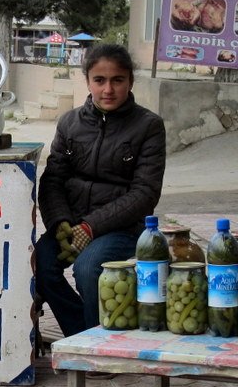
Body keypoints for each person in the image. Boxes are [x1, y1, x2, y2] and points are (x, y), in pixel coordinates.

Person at [35, 43, 166, 337]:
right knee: (39, 264)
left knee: (88, 268)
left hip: (121, 228)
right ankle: (83, 335)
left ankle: (97, 343)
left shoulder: (149, 126)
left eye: (117, 80)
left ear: (130, 81)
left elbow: (145, 193)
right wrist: (61, 224)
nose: (108, 89)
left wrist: (91, 227)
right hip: (71, 224)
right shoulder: (69, 123)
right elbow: (52, 180)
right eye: (100, 80)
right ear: (88, 81)